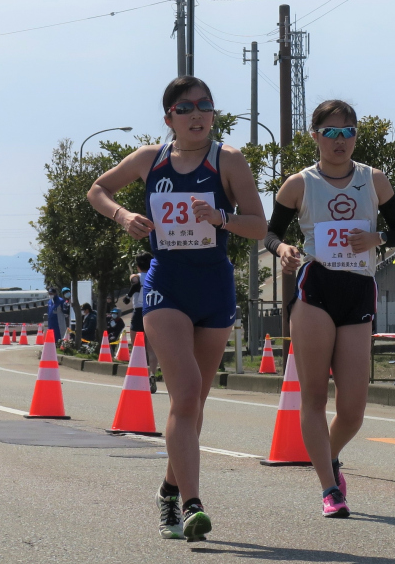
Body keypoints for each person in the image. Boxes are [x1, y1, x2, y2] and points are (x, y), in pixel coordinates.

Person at [87, 75, 266, 541]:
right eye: (184, 108)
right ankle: (192, 505)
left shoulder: (228, 160)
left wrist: (222, 218)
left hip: (214, 287)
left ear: (214, 113)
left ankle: (168, 489)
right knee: (184, 395)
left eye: (204, 106)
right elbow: (97, 190)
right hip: (165, 284)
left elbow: (258, 225)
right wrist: (123, 215)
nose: (196, 115)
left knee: (195, 402)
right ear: (168, 118)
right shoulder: (150, 159)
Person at [264, 99, 395, 518]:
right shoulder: (298, 184)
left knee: (352, 408)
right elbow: (271, 234)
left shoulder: (373, 179)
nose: (340, 140)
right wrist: (285, 249)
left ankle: (330, 458)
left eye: (348, 131)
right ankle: (330, 489)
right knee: (312, 396)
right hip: (316, 289)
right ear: (315, 136)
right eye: (331, 132)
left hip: (359, 290)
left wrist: (376, 239)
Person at [125, 252, 159, 393]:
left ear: (138, 266)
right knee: (152, 348)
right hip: (153, 311)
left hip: (139, 312)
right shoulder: (157, 277)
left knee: (137, 348)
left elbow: (134, 280)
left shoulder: (137, 278)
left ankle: (139, 377)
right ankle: (152, 374)